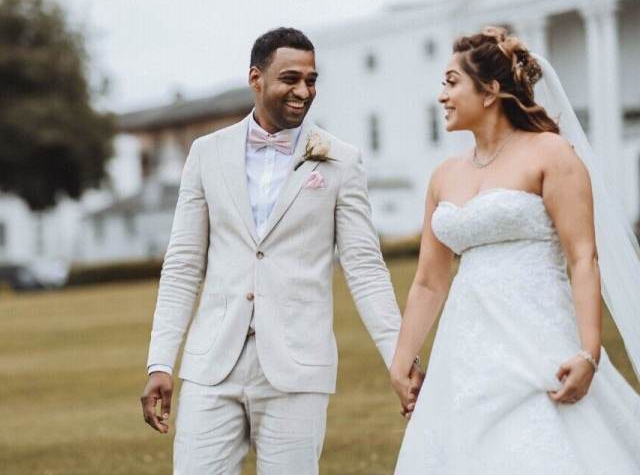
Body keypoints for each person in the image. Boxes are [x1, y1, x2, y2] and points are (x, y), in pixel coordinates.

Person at [140, 27, 418, 474]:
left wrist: (399, 359)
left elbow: (365, 267)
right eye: (290, 79)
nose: (304, 91)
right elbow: (183, 266)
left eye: (311, 80)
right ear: (256, 78)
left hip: (298, 367)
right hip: (212, 365)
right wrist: (160, 362)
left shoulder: (341, 160)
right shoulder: (206, 154)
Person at [390, 26, 640, 474]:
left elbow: (583, 257)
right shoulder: (444, 175)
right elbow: (429, 281)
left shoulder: (551, 154)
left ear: (489, 91)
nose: (442, 96)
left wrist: (589, 352)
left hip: (537, 342)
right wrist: (402, 360)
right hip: (464, 351)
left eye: (451, 83)